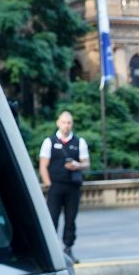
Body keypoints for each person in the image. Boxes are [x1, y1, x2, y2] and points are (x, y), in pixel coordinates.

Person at [38, 110, 89, 260]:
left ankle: (68, 248)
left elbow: (86, 163)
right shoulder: (50, 141)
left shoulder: (79, 142)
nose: (66, 125)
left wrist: (77, 165)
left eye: (69, 122)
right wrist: (48, 184)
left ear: (72, 124)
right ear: (58, 123)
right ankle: (52, 251)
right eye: (63, 122)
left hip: (73, 186)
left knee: (70, 218)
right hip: (55, 186)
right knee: (52, 218)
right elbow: (43, 165)